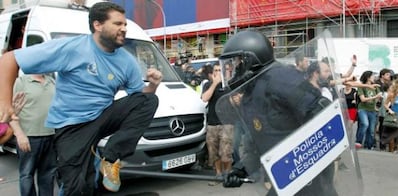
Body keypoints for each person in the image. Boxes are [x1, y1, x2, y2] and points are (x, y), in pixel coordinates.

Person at [0, 2, 162, 195]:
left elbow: (138, 99)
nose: (124, 29)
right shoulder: (72, 48)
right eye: (118, 24)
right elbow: (9, 59)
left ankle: (110, 159)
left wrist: (152, 85)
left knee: (149, 101)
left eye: (125, 24)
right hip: (71, 127)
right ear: (98, 25)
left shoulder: (126, 61)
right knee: (78, 187)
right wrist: (5, 102)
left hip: (101, 118)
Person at [216, 30, 341, 195]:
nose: (234, 67)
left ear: (251, 59)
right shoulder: (254, 89)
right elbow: (259, 141)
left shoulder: (282, 79)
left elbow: (323, 116)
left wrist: (303, 158)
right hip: (286, 178)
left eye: (237, 61)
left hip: (309, 176)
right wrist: (241, 169)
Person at [12, 74, 56, 196]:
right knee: (27, 174)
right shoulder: (21, 82)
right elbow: (10, 111)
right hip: (29, 137)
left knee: (48, 174)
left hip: (51, 135)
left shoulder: (51, 81)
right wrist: (19, 134)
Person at [201, 63, 234, 186]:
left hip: (227, 123)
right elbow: (204, 98)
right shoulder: (208, 85)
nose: (218, 72)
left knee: (226, 152)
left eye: (221, 70)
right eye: (216, 70)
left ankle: (228, 172)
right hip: (212, 124)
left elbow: (236, 101)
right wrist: (215, 84)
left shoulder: (230, 85)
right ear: (212, 73)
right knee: (213, 152)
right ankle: (218, 174)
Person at [355, 71, 382, 149]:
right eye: (373, 76)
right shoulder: (361, 86)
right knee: (365, 124)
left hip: (372, 109)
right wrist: (374, 97)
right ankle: (358, 142)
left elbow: (378, 99)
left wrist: (379, 99)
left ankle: (368, 145)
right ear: (368, 77)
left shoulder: (375, 86)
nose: (374, 77)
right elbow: (362, 99)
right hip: (363, 108)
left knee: (371, 130)